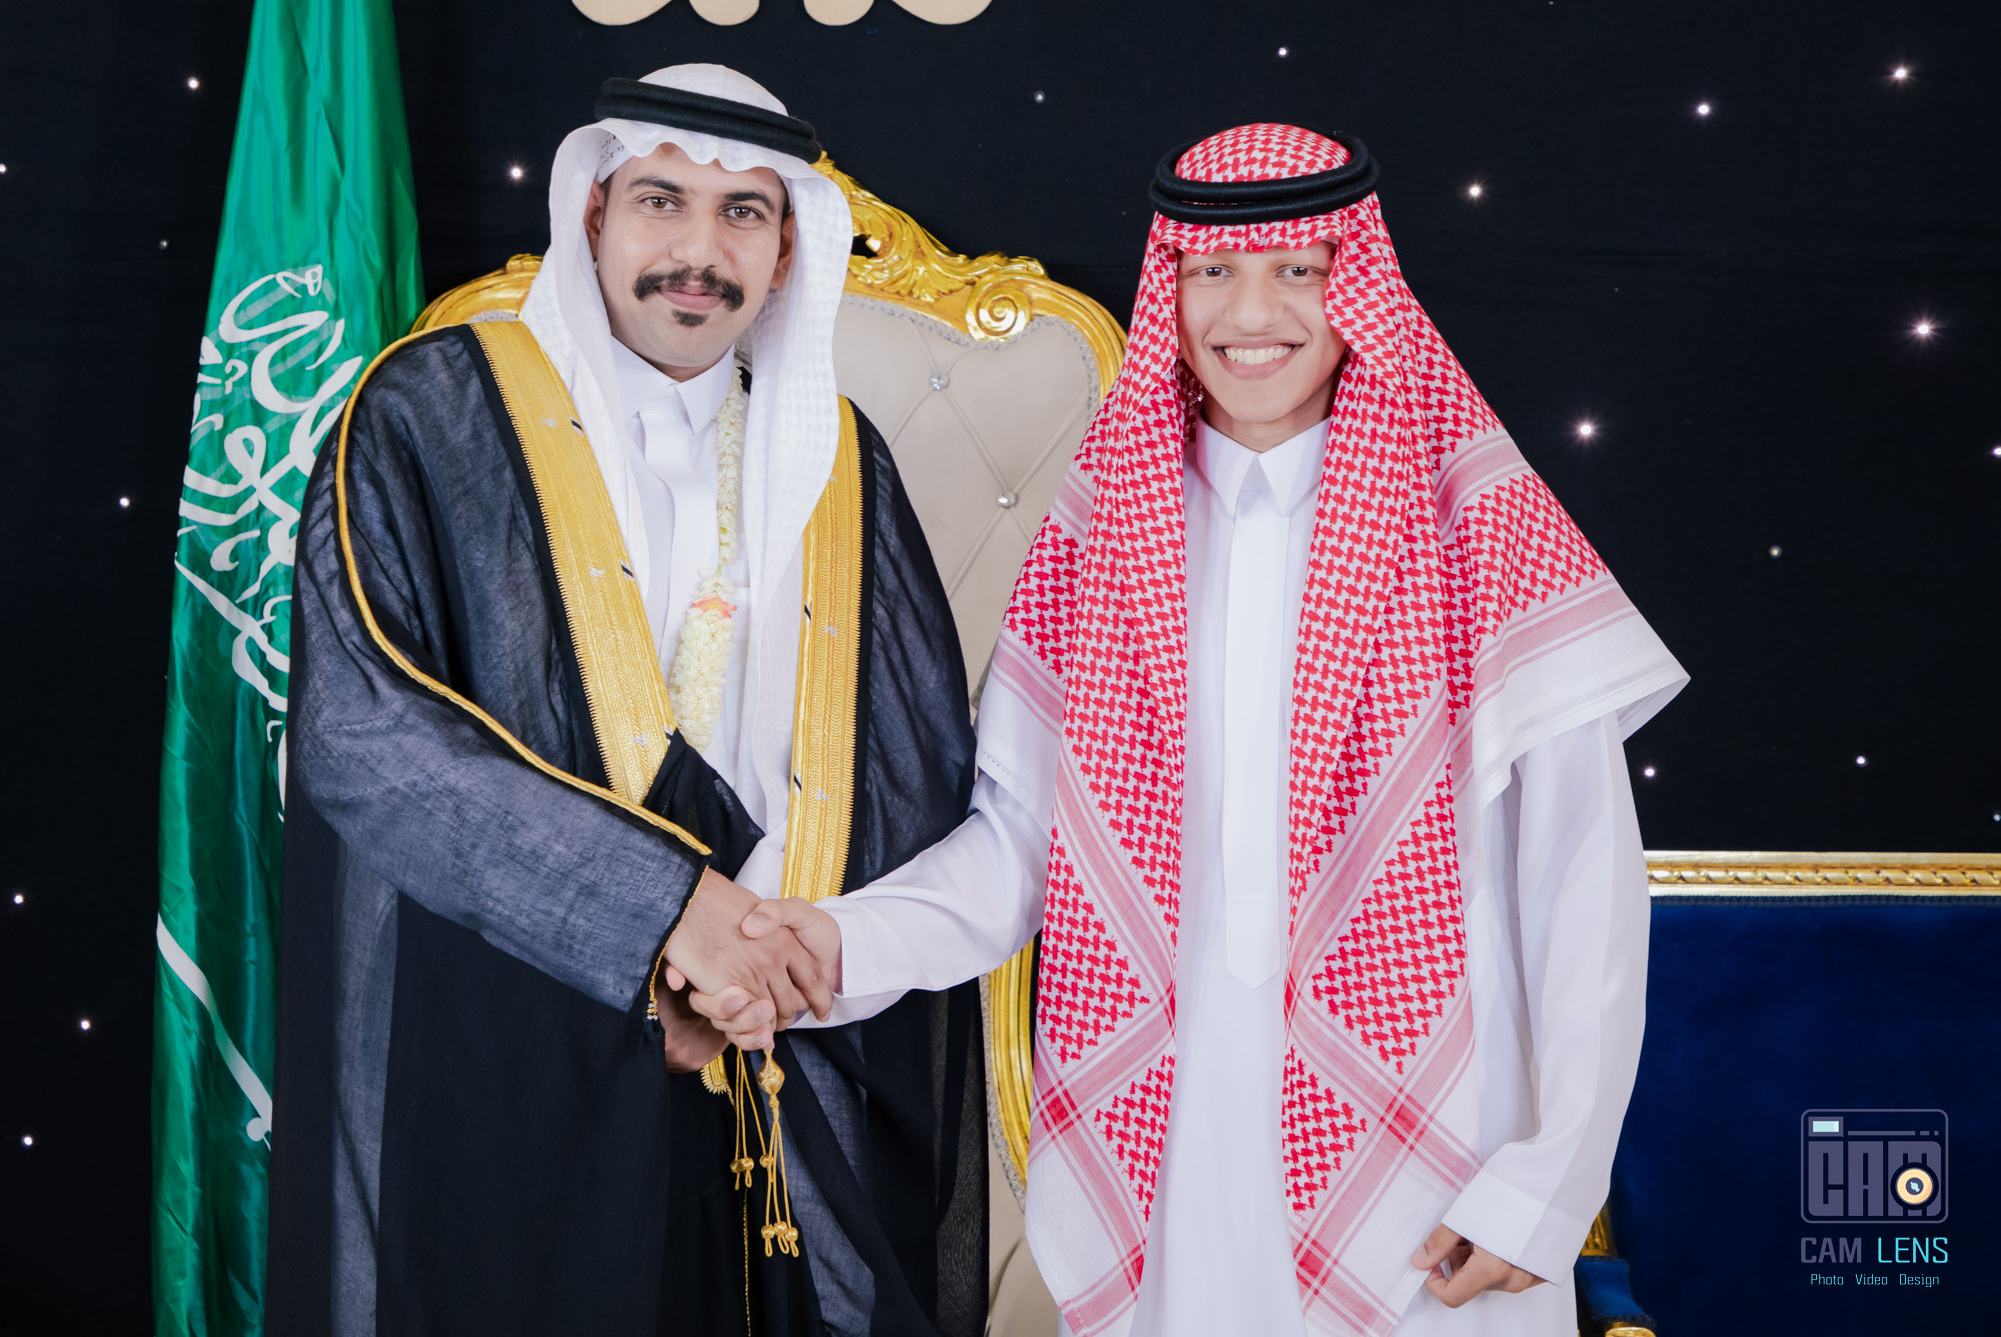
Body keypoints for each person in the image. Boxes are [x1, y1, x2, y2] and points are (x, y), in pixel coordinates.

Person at [720, 123, 1689, 1336]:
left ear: (1358, 284)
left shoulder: (1474, 524)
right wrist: (832, 943)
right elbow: (1020, 848)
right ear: (1167, 289)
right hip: (1169, 1144)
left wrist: (1543, 1186)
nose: (1251, 312)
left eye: (1298, 270)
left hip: (1438, 1159)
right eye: (1212, 270)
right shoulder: (1100, 535)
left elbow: (1580, 881)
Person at [267, 63, 988, 1337]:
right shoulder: (428, 414)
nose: (697, 252)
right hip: (516, 1039)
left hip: (775, 1048)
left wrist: (766, 965)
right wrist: (660, 919)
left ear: (785, 251)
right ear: (593, 215)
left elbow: (913, 766)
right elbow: (362, 736)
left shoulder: (841, 462)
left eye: (743, 213)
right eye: (662, 200)